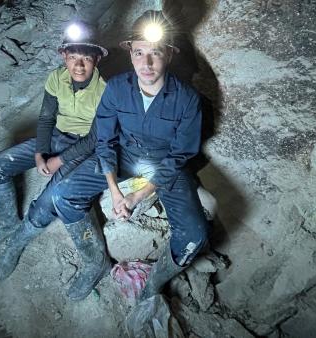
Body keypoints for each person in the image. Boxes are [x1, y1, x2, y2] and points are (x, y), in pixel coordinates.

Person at [51, 10, 209, 302]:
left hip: (164, 165)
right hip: (125, 156)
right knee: (62, 195)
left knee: (195, 235)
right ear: (131, 54)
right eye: (139, 53)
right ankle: (95, 262)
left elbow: (179, 156)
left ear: (170, 55)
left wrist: (138, 196)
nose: (146, 63)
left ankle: (153, 286)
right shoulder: (116, 88)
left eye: (155, 53)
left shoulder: (186, 98)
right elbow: (106, 141)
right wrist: (114, 190)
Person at [0, 22, 107, 281]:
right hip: (56, 138)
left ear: (96, 59)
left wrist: (58, 161)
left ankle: (15, 245)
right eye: (73, 57)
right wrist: (40, 153)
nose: (79, 65)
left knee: (49, 200)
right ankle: (7, 224)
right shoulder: (56, 78)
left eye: (86, 58)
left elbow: (95, 138)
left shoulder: (105, 91)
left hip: (82, 148)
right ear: (64, 56)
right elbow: (47, 119)